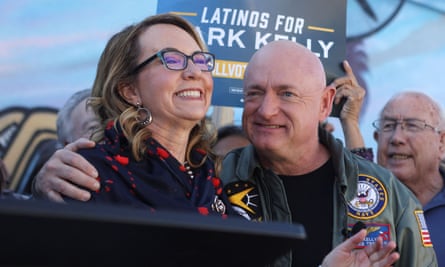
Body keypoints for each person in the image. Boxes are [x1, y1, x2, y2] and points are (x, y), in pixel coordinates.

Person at [31, 28, 402, 266]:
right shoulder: (89, 176)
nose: (192, 70)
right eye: (171, 59)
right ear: (129, 89)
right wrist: (38, 193)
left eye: (199, 60)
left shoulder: (209, 175)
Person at [220, 40, 436, 266]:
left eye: (287, 94)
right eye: (254, 93)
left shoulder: (391, 196)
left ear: (325, 103)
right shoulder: (212, 182)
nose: (266, 110)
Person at [372, 91, 445, 266]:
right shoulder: (351, 201)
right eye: (388, 126)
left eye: (412, 126)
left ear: (442, 142)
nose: (396, 138)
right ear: (377, 138)